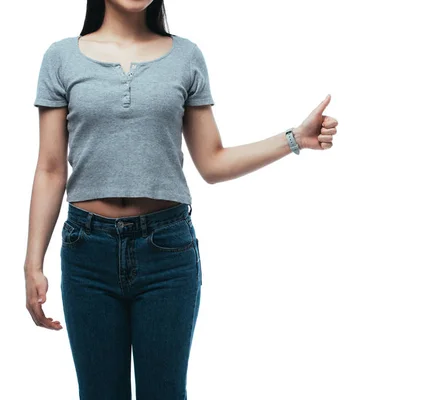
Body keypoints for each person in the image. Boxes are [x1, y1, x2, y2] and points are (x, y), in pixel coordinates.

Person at [23, 0, 338, 399]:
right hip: (87, 253)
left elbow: (212, 162)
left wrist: (294, 138)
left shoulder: (186, 57)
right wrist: (33, 263)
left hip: (166, 254)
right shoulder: (60, 58)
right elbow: (50, 169)